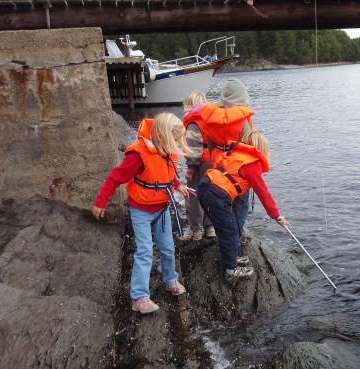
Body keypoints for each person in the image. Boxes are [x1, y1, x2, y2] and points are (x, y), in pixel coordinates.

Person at [92, 113, 189, 314]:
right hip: (141, 211)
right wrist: (101, 201)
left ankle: (170, 280)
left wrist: (178, 185)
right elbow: (114, 178)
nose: (178, 144)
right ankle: (139, 297)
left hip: (162, 208)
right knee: (144, 251)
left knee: (168, 248)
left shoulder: (167, 152)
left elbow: (167, 174)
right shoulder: (137, 156)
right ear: (163, 137)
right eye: (176, 140)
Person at [198, 131, 287, 283]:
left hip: (205, 186)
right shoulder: (251, 164)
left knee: (225, 228)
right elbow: (263, 192)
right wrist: (275, 215)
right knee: (230, 231)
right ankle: (231, 271)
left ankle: (234, 256)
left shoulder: (234, 155)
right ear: (261, 150)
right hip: (217, 196)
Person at [195, 79, 255, 245]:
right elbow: (248, 144)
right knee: (241, 202)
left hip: (219, 165)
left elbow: (209, 143)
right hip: (238, 168)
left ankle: (226, 234)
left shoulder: (211, 118)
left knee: (225, 201)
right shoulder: (242, 120)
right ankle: (236, 235)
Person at [179, 90, 216, 241]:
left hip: (199, 164)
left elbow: (193, 148)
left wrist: (191, 167)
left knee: (192, 195)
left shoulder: (193, 123)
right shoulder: (212, 119)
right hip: (213, 163)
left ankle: (196, 228)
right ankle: (211, 227)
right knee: (210, 194)